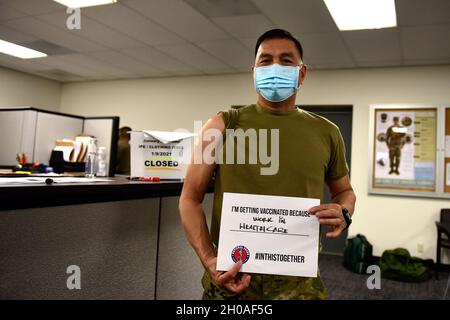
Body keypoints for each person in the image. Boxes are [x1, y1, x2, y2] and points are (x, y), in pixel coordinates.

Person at [179, 29, 356, 300]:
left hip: (299, 282)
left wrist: (343, 211)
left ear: (302, 73)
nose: (275, 67)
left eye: (286, 61)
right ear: (254, 71)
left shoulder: (327, 132)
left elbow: (345, 192)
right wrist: (208, 258)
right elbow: (189, 199)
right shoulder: (222, 125)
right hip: (231, 276)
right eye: (266, 60)